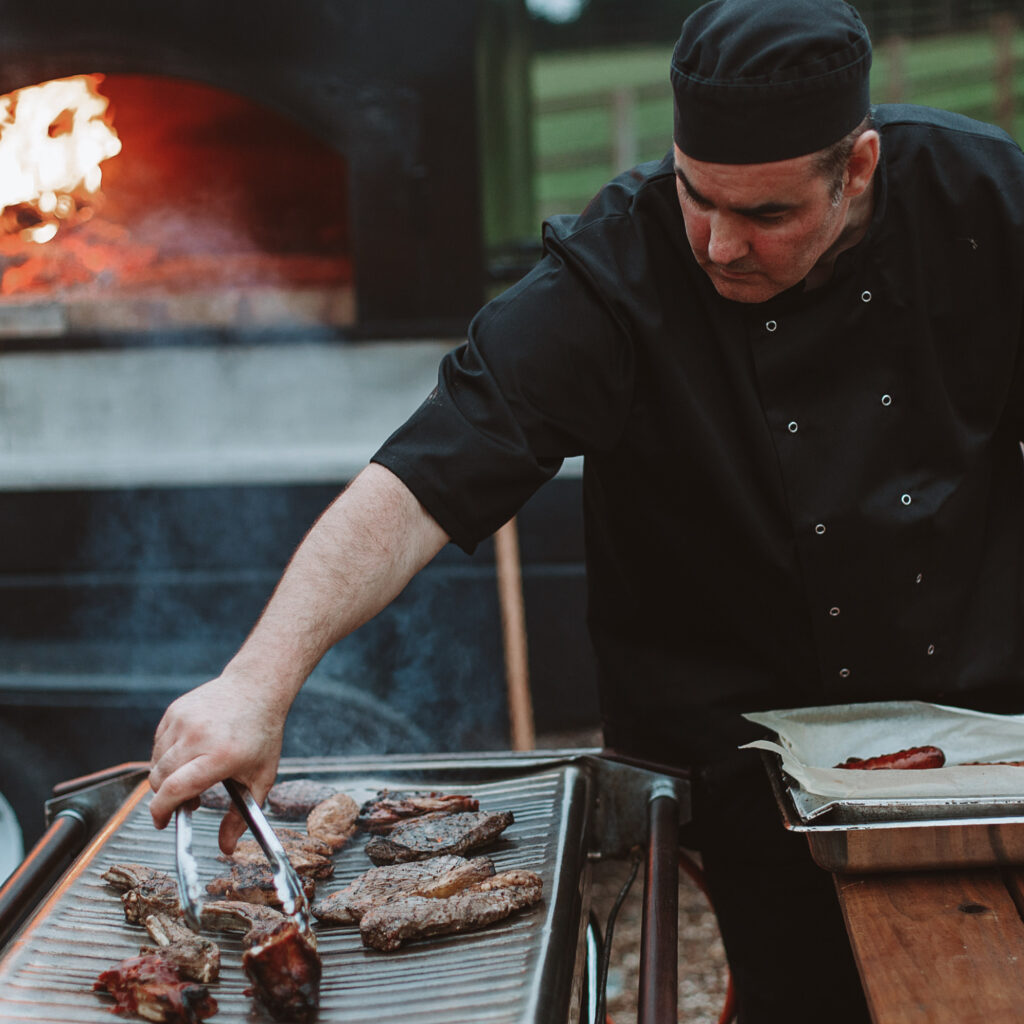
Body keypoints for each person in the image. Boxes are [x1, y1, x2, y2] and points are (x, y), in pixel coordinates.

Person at [148, 0, 1024, 1019]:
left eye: (766, 215)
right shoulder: (618, 272)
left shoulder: (982, 200)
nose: (719, 244)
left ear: (858, 166)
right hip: (742, 752)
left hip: (979, 728)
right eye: (699, 196)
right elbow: (424, 475)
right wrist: (257, 680)